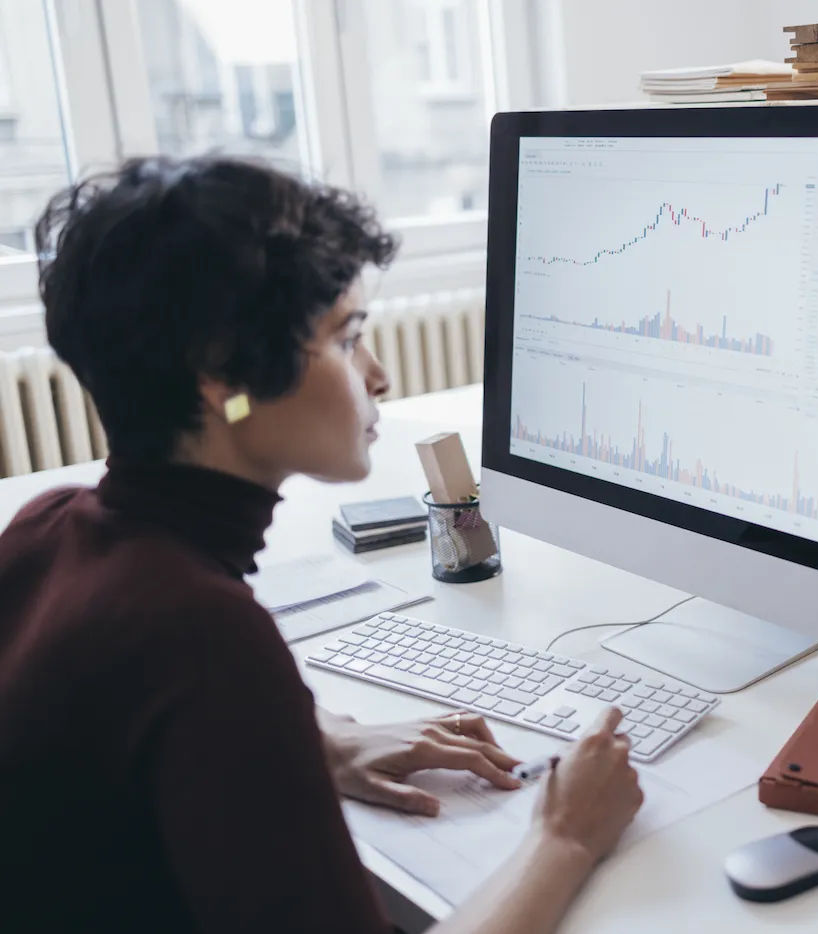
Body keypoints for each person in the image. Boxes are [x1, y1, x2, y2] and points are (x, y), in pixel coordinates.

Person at [0, 156, 643, 933]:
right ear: (222, 376)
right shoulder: (204, 633)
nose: (378, 376)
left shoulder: (47, 525)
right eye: (347, 339)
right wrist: (565, 836)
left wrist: (318, 738)